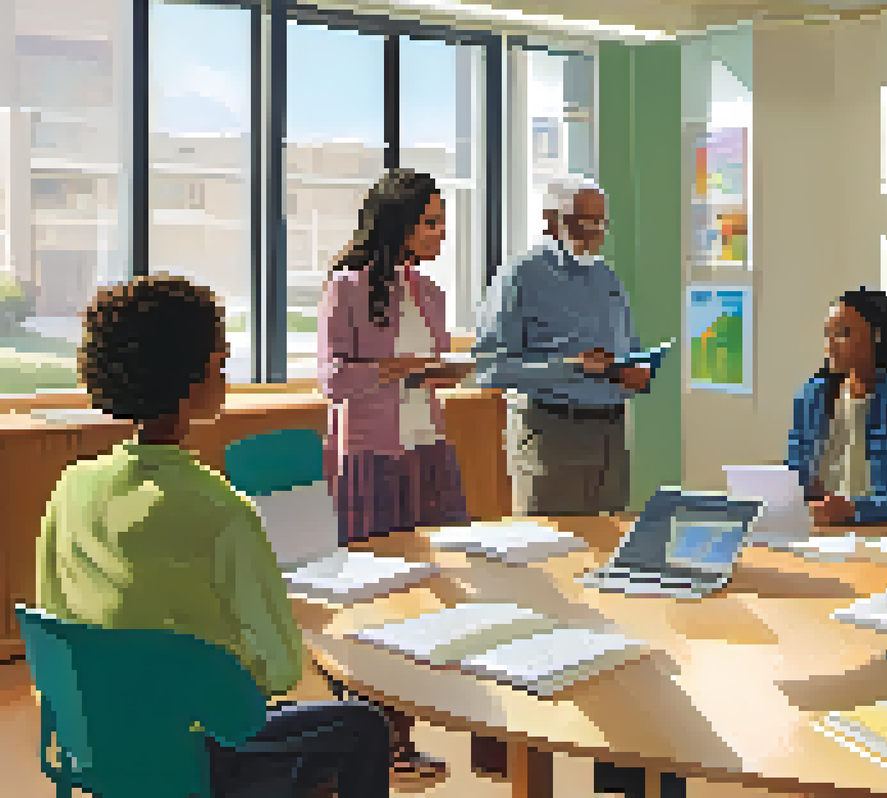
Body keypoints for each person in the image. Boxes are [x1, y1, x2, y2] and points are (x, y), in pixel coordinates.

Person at [36, 275, 391, 798]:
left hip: (97, 739)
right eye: (220, 355)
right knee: (360, 724)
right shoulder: (221, 510)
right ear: (197, 373)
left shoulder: (72, 487)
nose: (225, 356)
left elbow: (53, 608)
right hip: (194, 754)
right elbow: (280, 669)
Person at [317, 167, 470, 781]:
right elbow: (333, 382)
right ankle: (376, 744)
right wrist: (395, 367)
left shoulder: (429, 292)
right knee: (377, 598)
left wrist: (437, 372)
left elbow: (422, 370)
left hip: (428, 447)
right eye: (431, 221)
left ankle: (403, 736)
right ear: (399, 223)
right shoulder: (347, 287)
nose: (440, 233)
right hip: (369, 455)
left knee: (434, 587)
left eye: (441, 222)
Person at [472, 174, 650, 515]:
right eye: (585, 222)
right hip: (552, 435)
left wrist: (636, 371)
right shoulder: (520, 276)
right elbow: (489, 369)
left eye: (602, 224)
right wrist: (569, 368)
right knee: (553, 553)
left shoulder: (607, 278)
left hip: (611, 437)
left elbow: (628, 349)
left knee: (608, 549)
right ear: (551, 219)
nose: (596, 234)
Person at [786, 288, 887, 526]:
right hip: (822, 531)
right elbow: (794, 476)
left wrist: (851, 509)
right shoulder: (811, 397)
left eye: (842, 334)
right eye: (827, 334)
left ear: (876, 336)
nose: (830, 345)